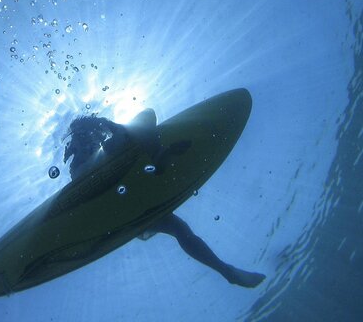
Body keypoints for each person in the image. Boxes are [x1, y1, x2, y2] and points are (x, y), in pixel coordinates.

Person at [62, 110, 266, 288]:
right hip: (106, 201)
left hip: (129, 201)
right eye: (82, 136)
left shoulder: (106, 147)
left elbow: (130, 135)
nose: (89, 139)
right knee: (139, 123)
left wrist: (109, 126)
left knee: (179, 228)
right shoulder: (82, 154)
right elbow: (81, 176)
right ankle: (159, 157)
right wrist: (100, 130)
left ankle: (227, 271)